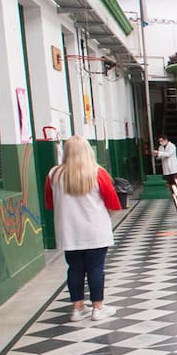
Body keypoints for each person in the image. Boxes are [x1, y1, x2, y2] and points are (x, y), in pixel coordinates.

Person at [44, 136, 122, 322]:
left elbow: (49, 203)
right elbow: (114, 204)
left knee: (74, 269)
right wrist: (103, 218)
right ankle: (97, 308)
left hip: (68, 232)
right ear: (88, 150)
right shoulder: (98, 173)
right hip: (95, 231)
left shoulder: (54, 174)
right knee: (96, 268)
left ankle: (77, 309)